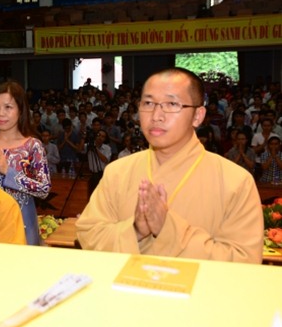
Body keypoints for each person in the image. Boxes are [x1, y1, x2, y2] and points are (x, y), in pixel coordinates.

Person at [76, 67, 263, 264]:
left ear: (198, 115)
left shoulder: (235, 181)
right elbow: (89, 234)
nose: (156, 115)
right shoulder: (118, 171)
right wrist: (135, 230)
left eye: (172, 104)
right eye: (148, 103)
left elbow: (245, 261)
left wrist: (168, 230)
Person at [0, 80, 51, 246]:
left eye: (8, 107)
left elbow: (44, 189)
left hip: (23, 226)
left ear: (21, 110)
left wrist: (8, 171)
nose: (1, 113)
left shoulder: (32, 146)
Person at [84, 129, 111, 197]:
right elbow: (79, 150)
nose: (100, 137)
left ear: (105, 139)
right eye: (99, 135)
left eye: (103, 136)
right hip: (92, 175)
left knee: (102, 195)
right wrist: (83, 138)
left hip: (102, 174)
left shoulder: (107, 148)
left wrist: (95, 148)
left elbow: (106, 160)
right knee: (91, 195)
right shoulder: (89, 146)